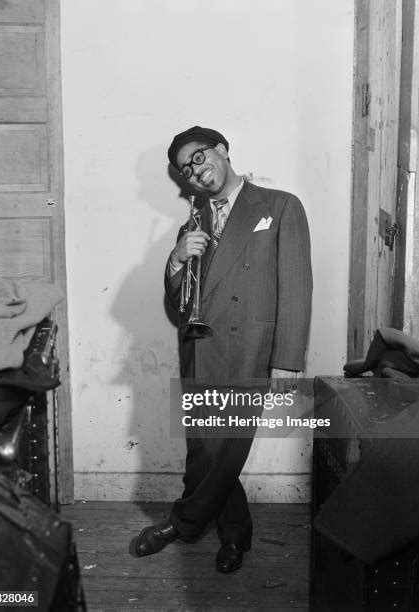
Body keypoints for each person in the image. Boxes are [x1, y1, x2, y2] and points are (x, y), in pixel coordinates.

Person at [131, 125, 312, 572]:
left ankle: (184, 522)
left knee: (222, 449)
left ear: (223, 151)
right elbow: (180, 306)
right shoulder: (193, 224)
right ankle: (235, 536)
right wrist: (175, 260)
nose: (195, 172)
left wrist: (287, 360)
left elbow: (296, 288)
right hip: (199, 350)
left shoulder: (280, 206)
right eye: (184, 171)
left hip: (249, 350)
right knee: (206, 450)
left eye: (199, 158)